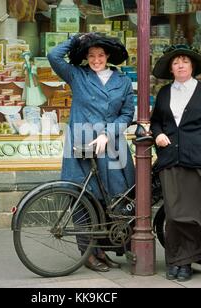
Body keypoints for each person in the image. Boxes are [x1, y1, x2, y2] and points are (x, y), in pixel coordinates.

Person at [48, 33, 135, 272]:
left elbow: (127, 115)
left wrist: (108, 133)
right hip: (83, 144)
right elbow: (53, 55)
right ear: (86, 57)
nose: (96, 60)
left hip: (112, 145)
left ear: (108, 56)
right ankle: (87, 252)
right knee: (83, 197)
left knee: (115, 198)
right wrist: (77, 39)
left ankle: (103, 249)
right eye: (91, 55)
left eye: (100, 55)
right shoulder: (77, 75)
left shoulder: (123, 82)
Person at [151, 44, 201, 282]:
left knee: (197, 215)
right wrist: (157, 135)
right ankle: (176, 260)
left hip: (199, 160)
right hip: (171, 161)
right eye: (176, 63)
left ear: (192, 66)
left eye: (185, 61)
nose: (181, 65)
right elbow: (155, 122)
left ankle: (187, 263)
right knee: (175, 215)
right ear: (171, 69)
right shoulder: (164, 93)